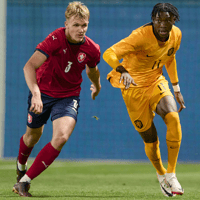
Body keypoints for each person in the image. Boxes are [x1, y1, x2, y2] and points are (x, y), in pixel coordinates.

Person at [12, 1, 101, 197]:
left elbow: (93, 70)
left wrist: (97, 85)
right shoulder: (55, 38)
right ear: (66, 23)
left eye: (84, 25)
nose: (80, 29)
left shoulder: (92, 48)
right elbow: (29, 66)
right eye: (76, 25)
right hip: (42, 92)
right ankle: (20, 166)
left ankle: (24, 183)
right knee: (32, 137)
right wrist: (36, 94)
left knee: (61, 137)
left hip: (68, 96)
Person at [103, 3, 185, 197]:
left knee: (173, 117)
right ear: (153, 20)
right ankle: (161, 174)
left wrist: (176, 88)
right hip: (133, 88)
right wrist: (121, 70)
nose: (162, 24)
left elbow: (169, 57)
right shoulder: (140, 36)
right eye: (158, 19)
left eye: (167, 19)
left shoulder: (177, 35)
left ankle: (172, 174)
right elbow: (109, 53)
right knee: (151, 139)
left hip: (155, 81)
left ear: (174, 19)